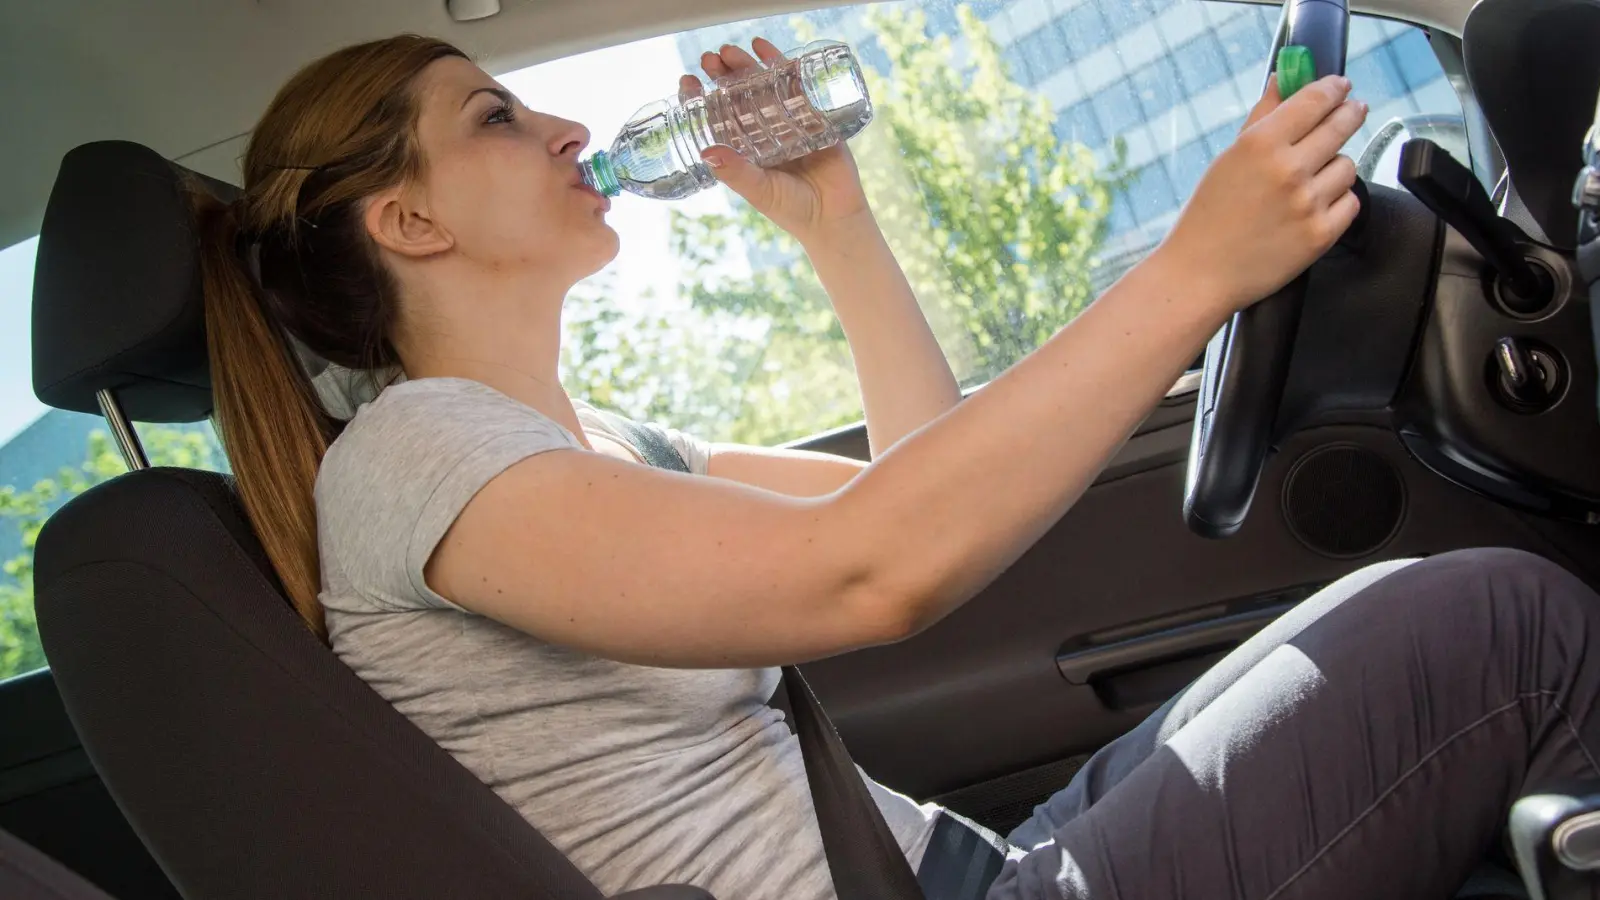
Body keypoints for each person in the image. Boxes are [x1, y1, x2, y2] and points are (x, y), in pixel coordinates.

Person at [192, 32, 1600, 900]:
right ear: (407, 223)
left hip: (959, 866)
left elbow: (922, 504)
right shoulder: (413, 455)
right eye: (495, 118)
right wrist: (1194, 271)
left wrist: (837, 222)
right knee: (1510, 623)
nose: (567, 128)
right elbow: (873, 574)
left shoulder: (591, 447)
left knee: (1418, 611)